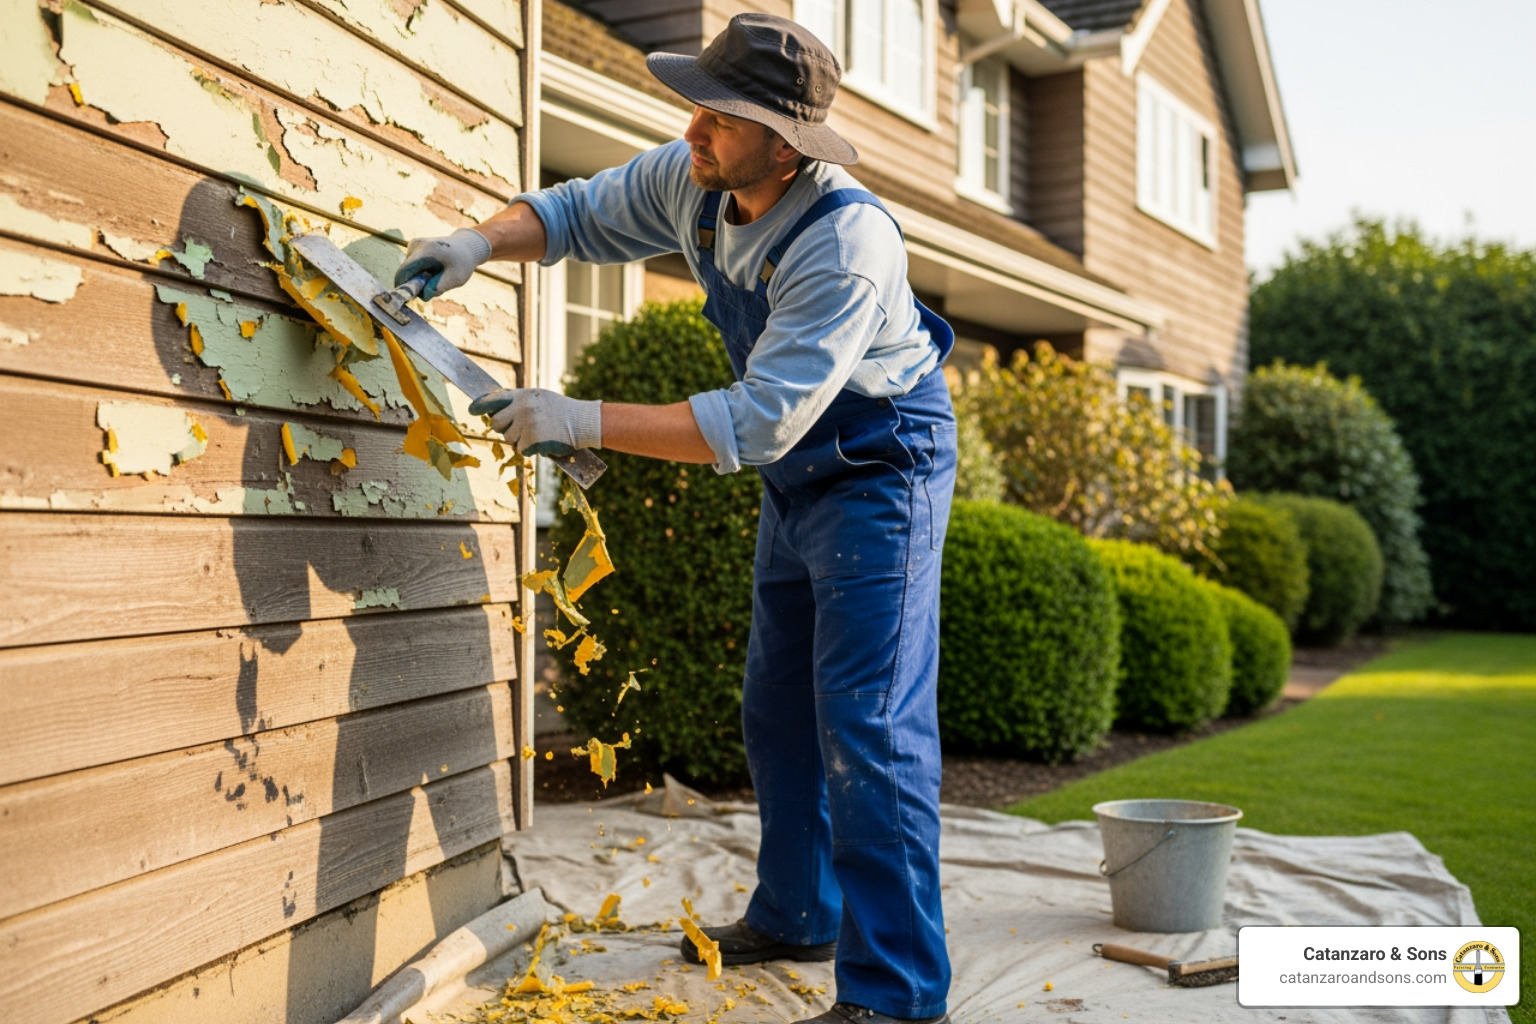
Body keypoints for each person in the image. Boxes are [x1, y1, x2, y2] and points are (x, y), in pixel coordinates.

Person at [396, 15, 956, 1024]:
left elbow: (761, 419)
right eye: (698, 104)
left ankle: (899, 994)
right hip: (798, 476)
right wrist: (477, 241)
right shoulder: (696, 180)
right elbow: (573, 213)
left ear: (784, 147)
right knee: (776, 706)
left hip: (883, 469)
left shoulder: (847, 241)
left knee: (869, 723)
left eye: (721, 117)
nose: (693, 128)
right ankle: (798, 913)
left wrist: (577, 418)